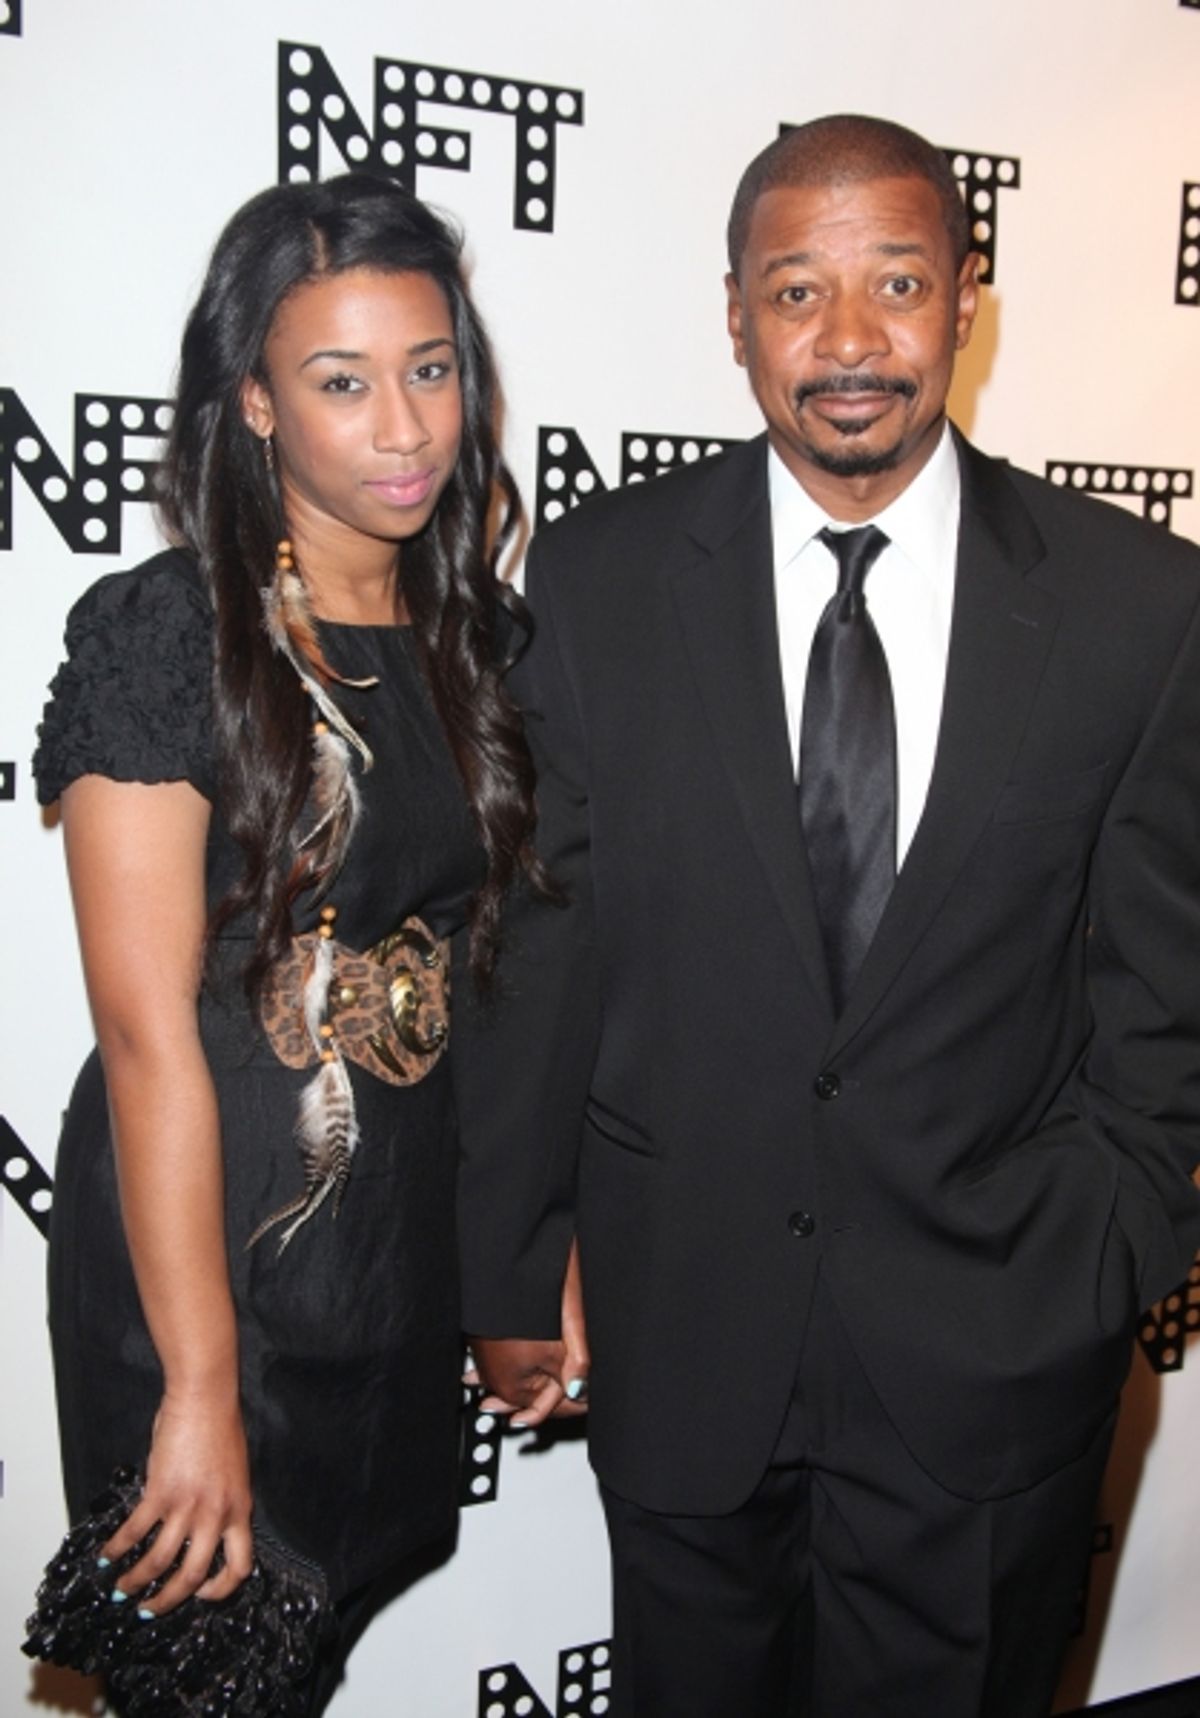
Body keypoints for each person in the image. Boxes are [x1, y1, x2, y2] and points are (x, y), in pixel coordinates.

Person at [455, 114, 1200, 1716]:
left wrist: (1100, 1263)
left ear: (967, 301)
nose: (850, 342)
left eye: (898, 284)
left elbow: (1165, 993)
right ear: (733, 313)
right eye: (798, 292)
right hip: (683, 1332)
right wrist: (513, 1265)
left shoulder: (1143, 608)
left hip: (997, 1360)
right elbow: (543, 944)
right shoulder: (596, 584)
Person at [32, 171, 554, 1713]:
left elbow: (506, 978)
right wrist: (196, 1388)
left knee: (309, 1653)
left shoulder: (481, 641)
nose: (405, 428)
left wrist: (523, 1258)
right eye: (342, 383)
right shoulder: (168, 635)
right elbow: (145, 1035)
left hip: (392, 1251)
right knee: (209, 1673)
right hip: (211, 1266)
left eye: (431, 369)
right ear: (253, 402)